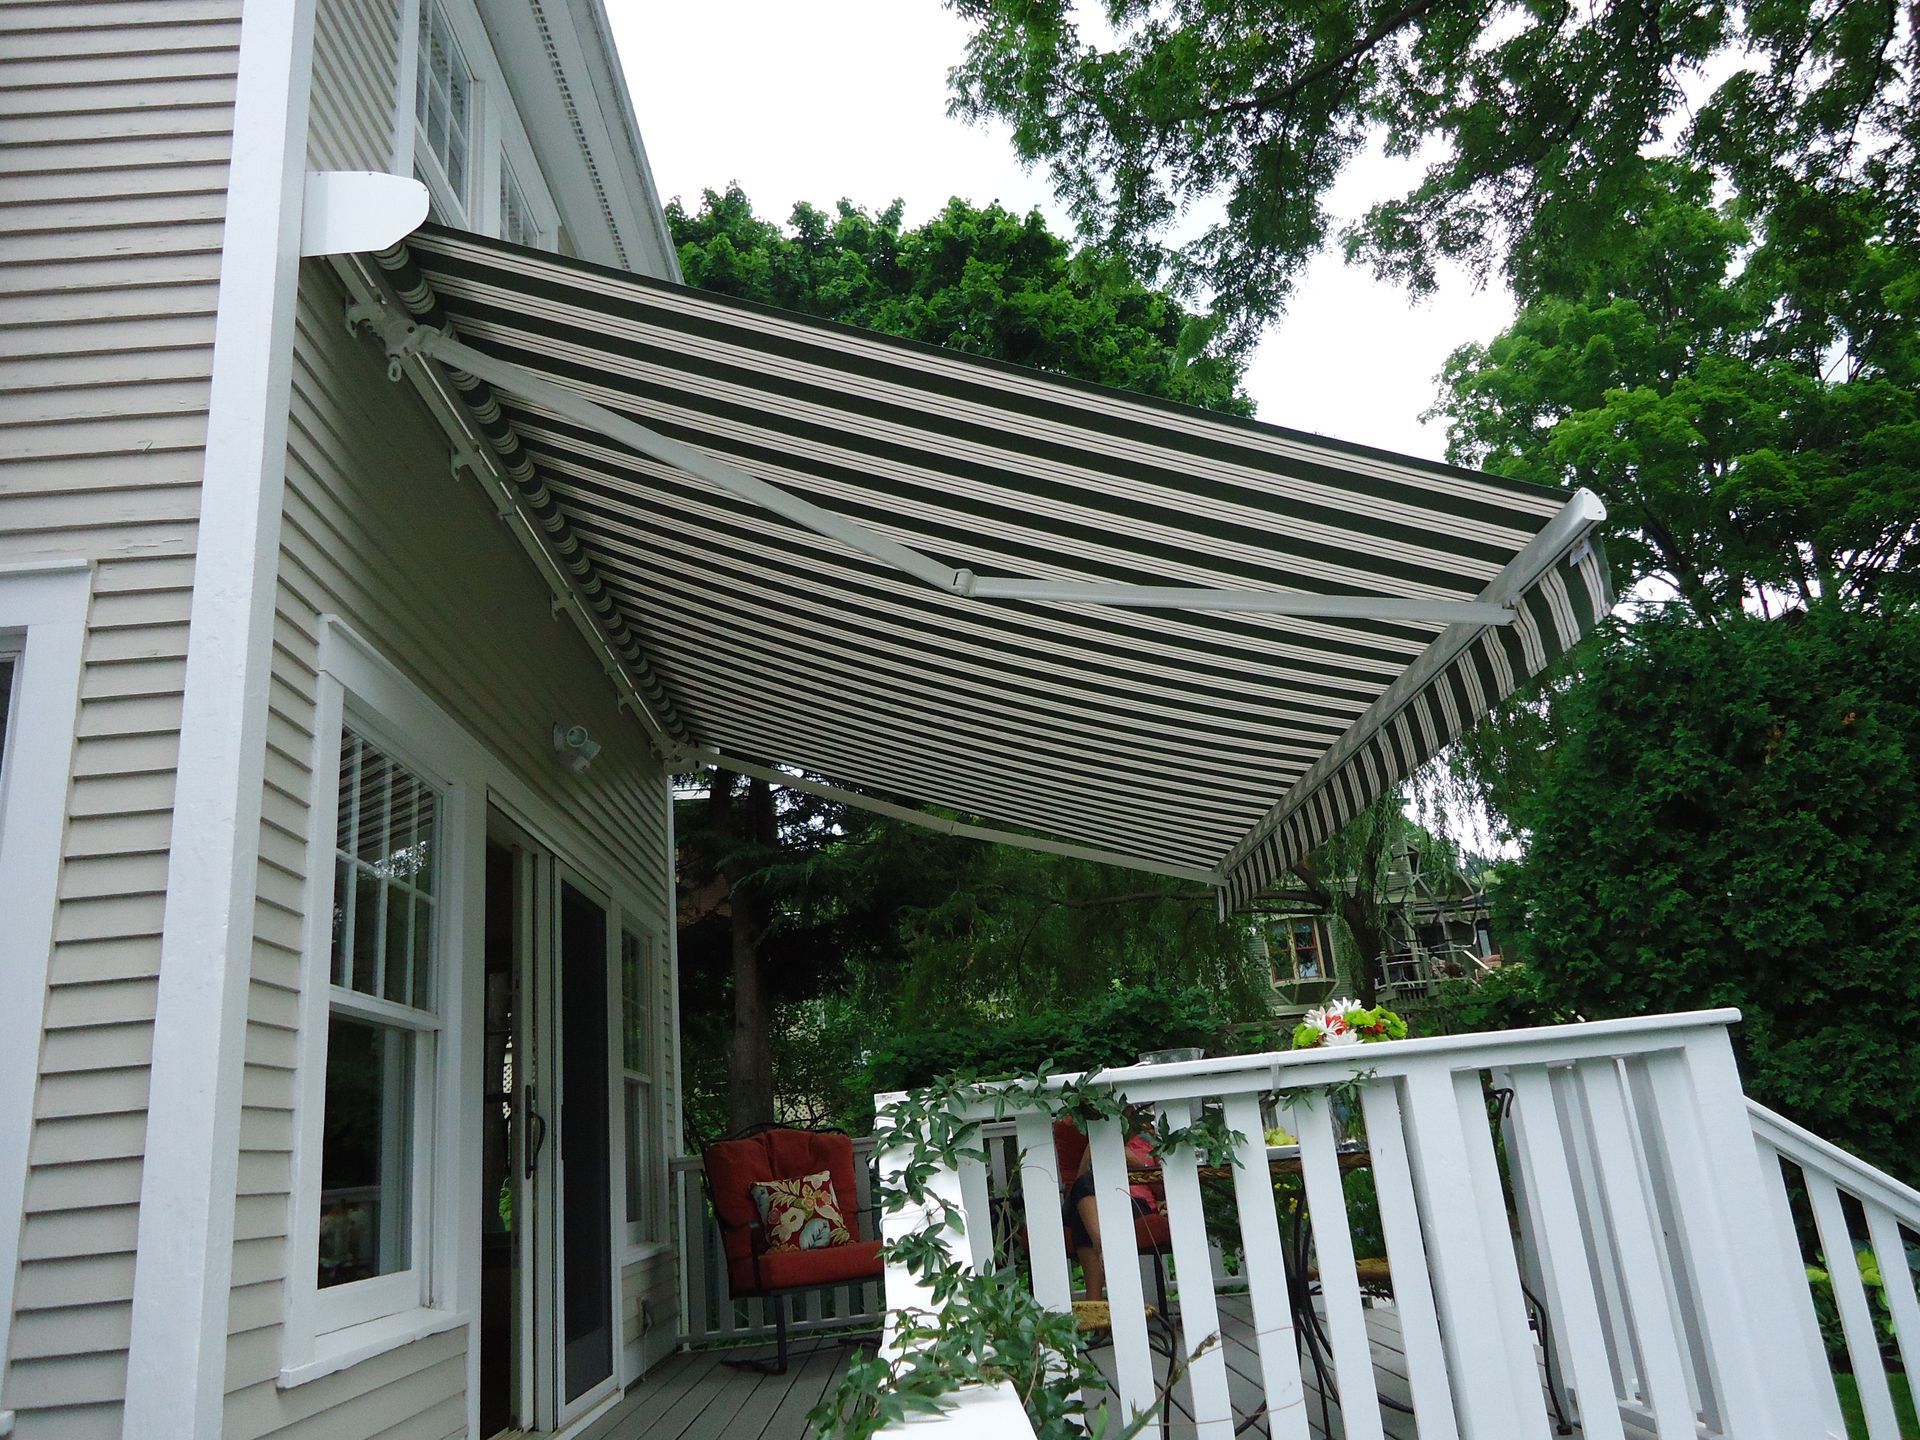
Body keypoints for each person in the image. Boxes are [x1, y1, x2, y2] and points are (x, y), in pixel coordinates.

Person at [1062, 1125, 1160, 1301]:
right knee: (1084, 1195)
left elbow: (1163, 1191)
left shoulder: (1151, 1138)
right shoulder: (1099, 1137)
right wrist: (1094, 1151)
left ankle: (1094, 1306)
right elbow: (1079, 1186)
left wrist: (1137, 1164)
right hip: (1097, 1201)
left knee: (1082, 1219)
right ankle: (1102, 1247)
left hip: (1135, 1203)